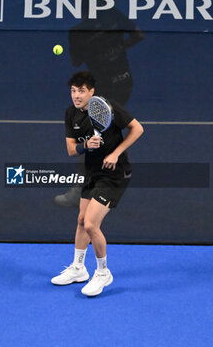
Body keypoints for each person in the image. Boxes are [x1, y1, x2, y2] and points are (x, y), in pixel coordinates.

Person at [51, 71, 144, 296]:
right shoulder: (70, 114)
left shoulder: (109, 107)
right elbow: (71, 150)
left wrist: (115, 153)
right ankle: (79, 269)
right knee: (81, 220)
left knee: (92, 224)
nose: (76, 95)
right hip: (92, 173)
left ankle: (103, 272)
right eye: (73, 91)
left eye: (81, 90)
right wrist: (86, 146)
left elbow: (138, 129)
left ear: (91, 92)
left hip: (114, 174)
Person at [54, 0, 144, 208]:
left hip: (103, 90)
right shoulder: (113, 14)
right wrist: (118, 47)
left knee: (87, 137)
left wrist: (95, 52)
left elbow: (76, 61)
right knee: (101, 133)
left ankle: (83, 187)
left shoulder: (77, 32)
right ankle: (114, 171)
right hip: (125, 81)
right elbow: (139, 34)